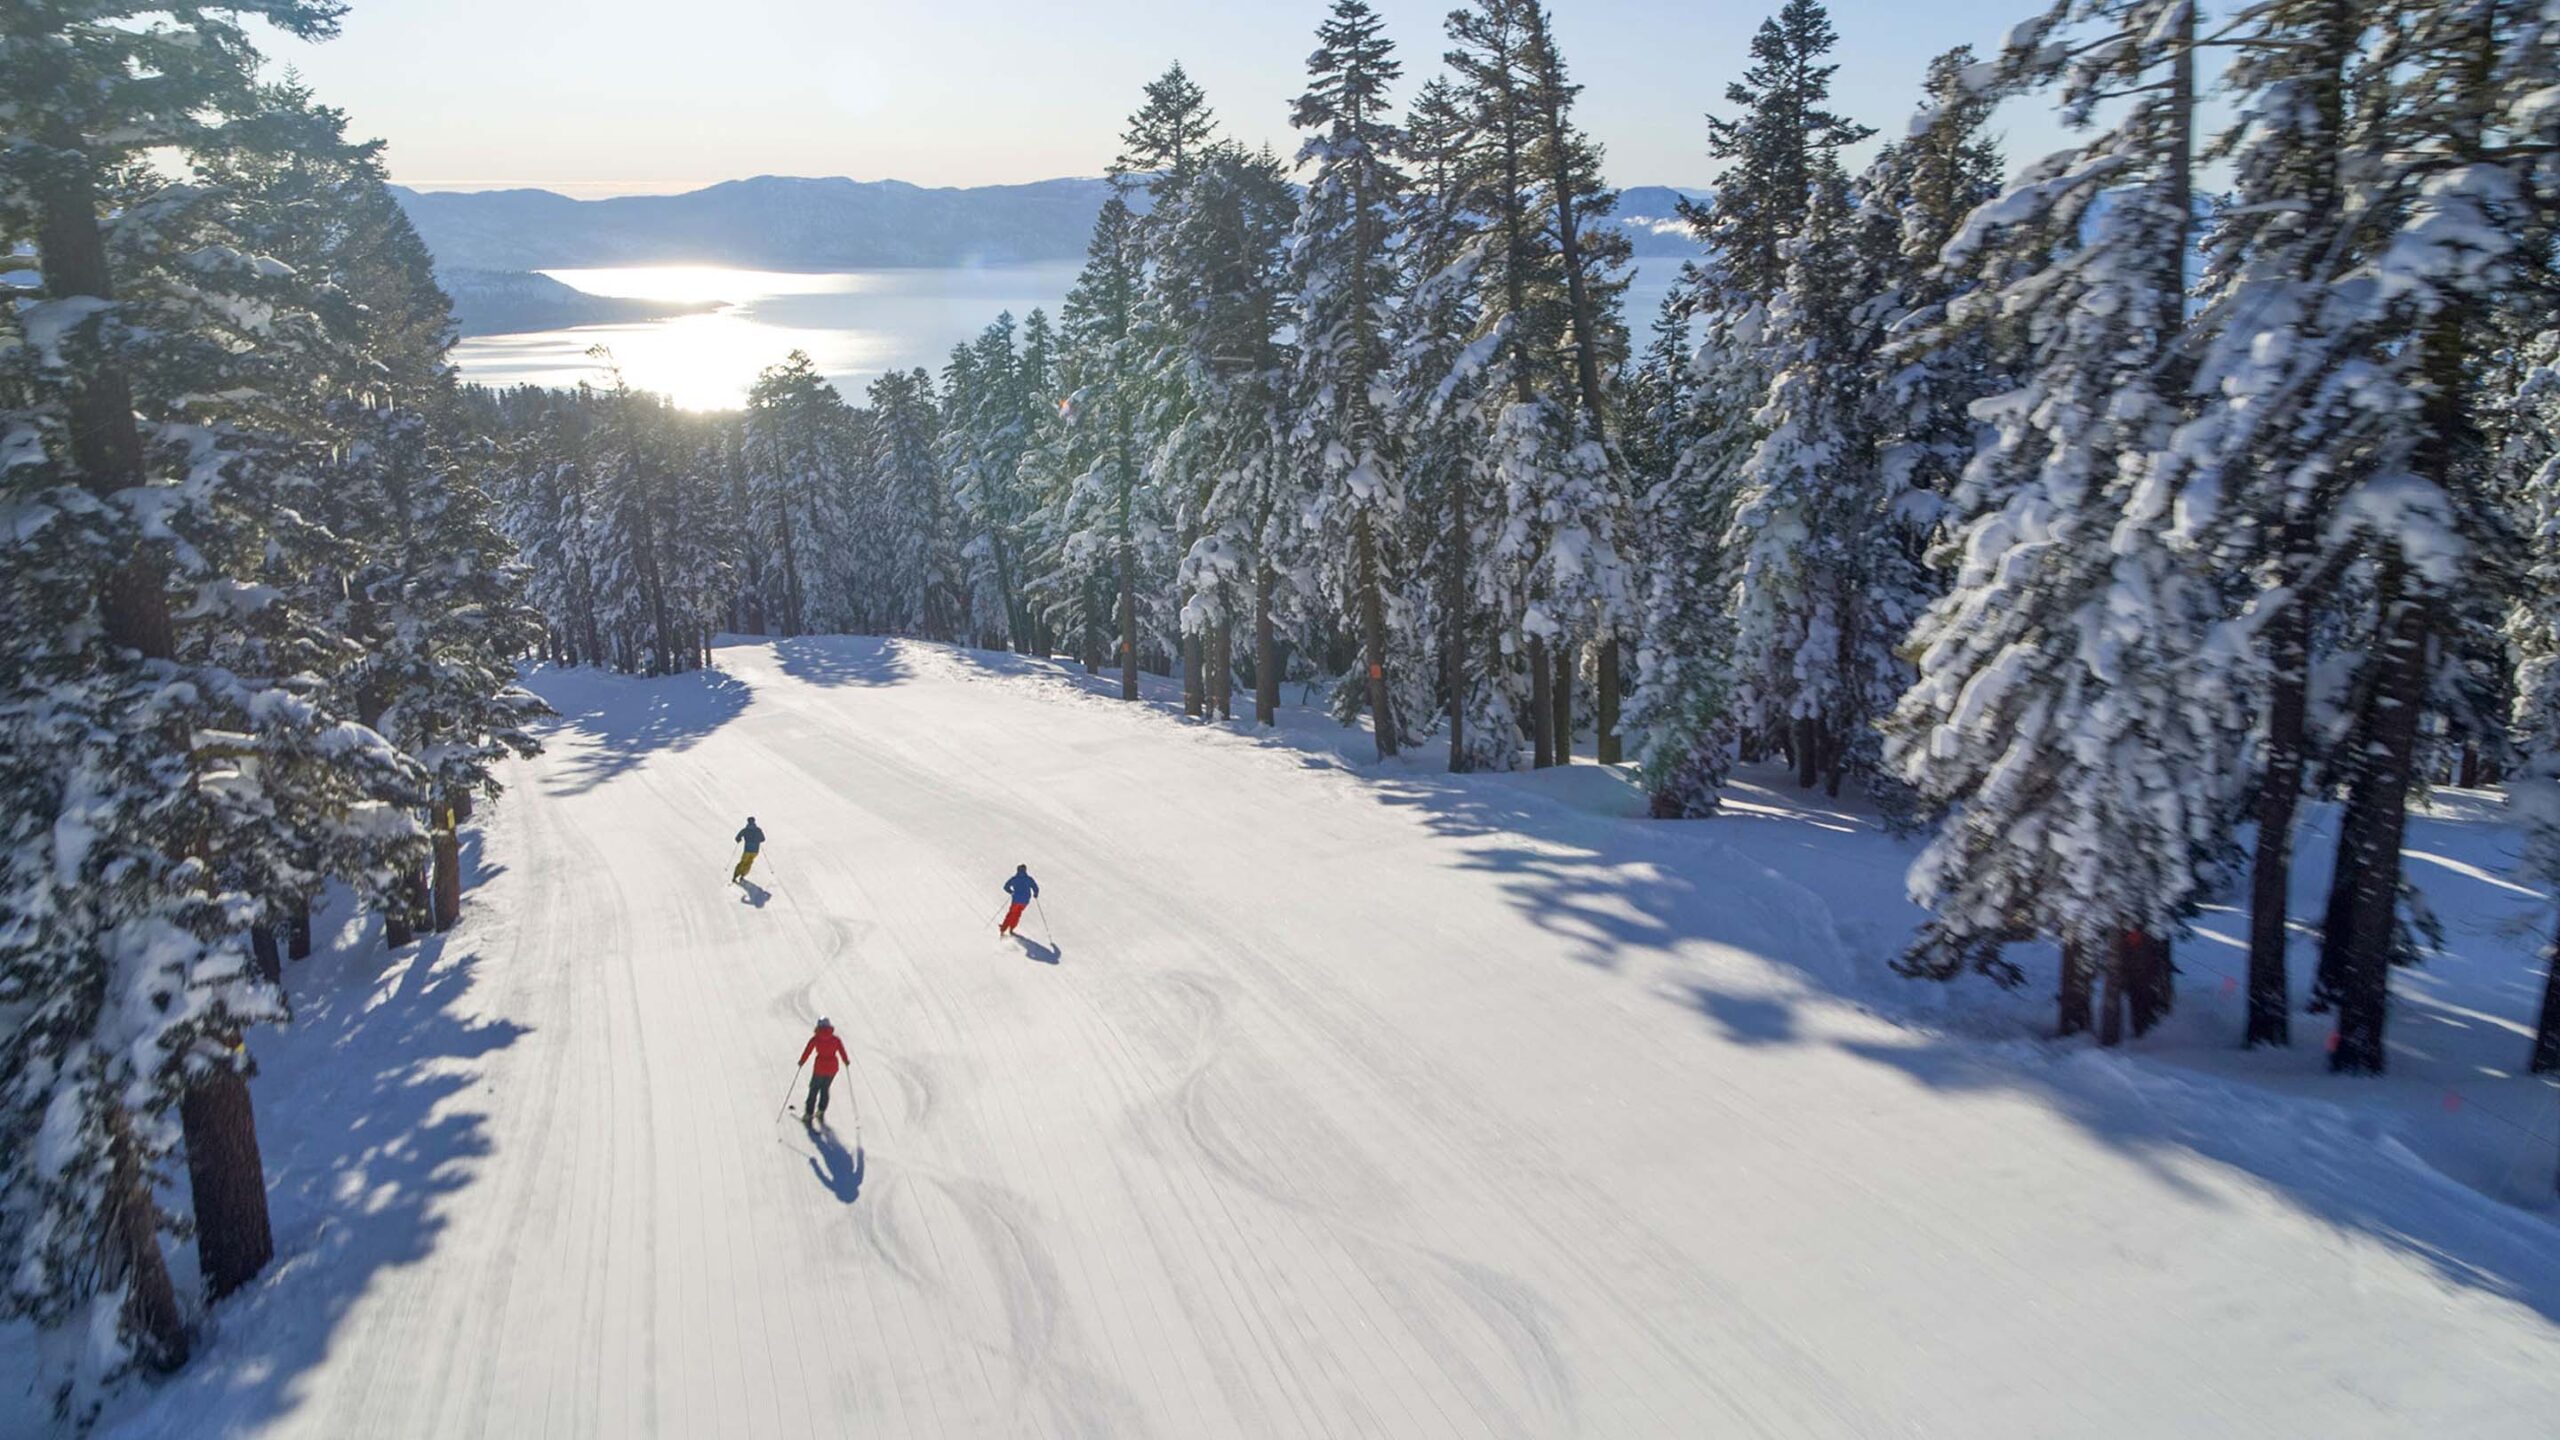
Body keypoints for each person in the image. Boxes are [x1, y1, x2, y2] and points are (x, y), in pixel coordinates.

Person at [799, 1018, 849, 1123]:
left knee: (814, 1089)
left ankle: (809, 1114)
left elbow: (808, 1050)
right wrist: (846, 1061)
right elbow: (842, 1050)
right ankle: (821, 1111)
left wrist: (802, 1061)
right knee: (825, 1089)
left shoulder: (816, 1039)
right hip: (832, 1068)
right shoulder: (835, 1039)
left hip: (820, 1068)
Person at [999, 864, 1039, 936]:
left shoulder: (1014, 879)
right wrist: (1035, 894)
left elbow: (1006, 887)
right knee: (1017, 914)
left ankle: (1003, 929)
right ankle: (1011, 928)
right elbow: (1035, 887)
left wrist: (1011, 892)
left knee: (1011, 913)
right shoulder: (1029, 879)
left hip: (1016, 900)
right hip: (1025, 901)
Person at [732, 816, 765, 884]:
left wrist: (739, 840)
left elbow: (737, 838)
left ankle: (735, 876)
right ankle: (743, 875)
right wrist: (757, 840)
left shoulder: (745, 830)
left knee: (743, 862)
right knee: (749, 863)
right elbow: (763, 839)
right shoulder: (758, 830)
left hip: (747, 850)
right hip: (755, 851)